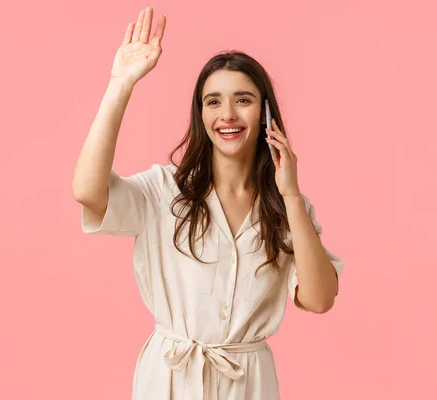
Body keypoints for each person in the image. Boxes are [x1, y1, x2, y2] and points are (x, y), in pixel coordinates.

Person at [72, 6, 344, 400]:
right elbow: (87, 192)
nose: (227, 114)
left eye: (243, 100)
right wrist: (120, 85)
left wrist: (290, 195)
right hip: (168, 381)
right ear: (200, 115)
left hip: (249, 386)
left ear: (266, 114)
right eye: (213, 102)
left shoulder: (288, 209)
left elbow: (319, 299)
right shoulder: (164, 190)